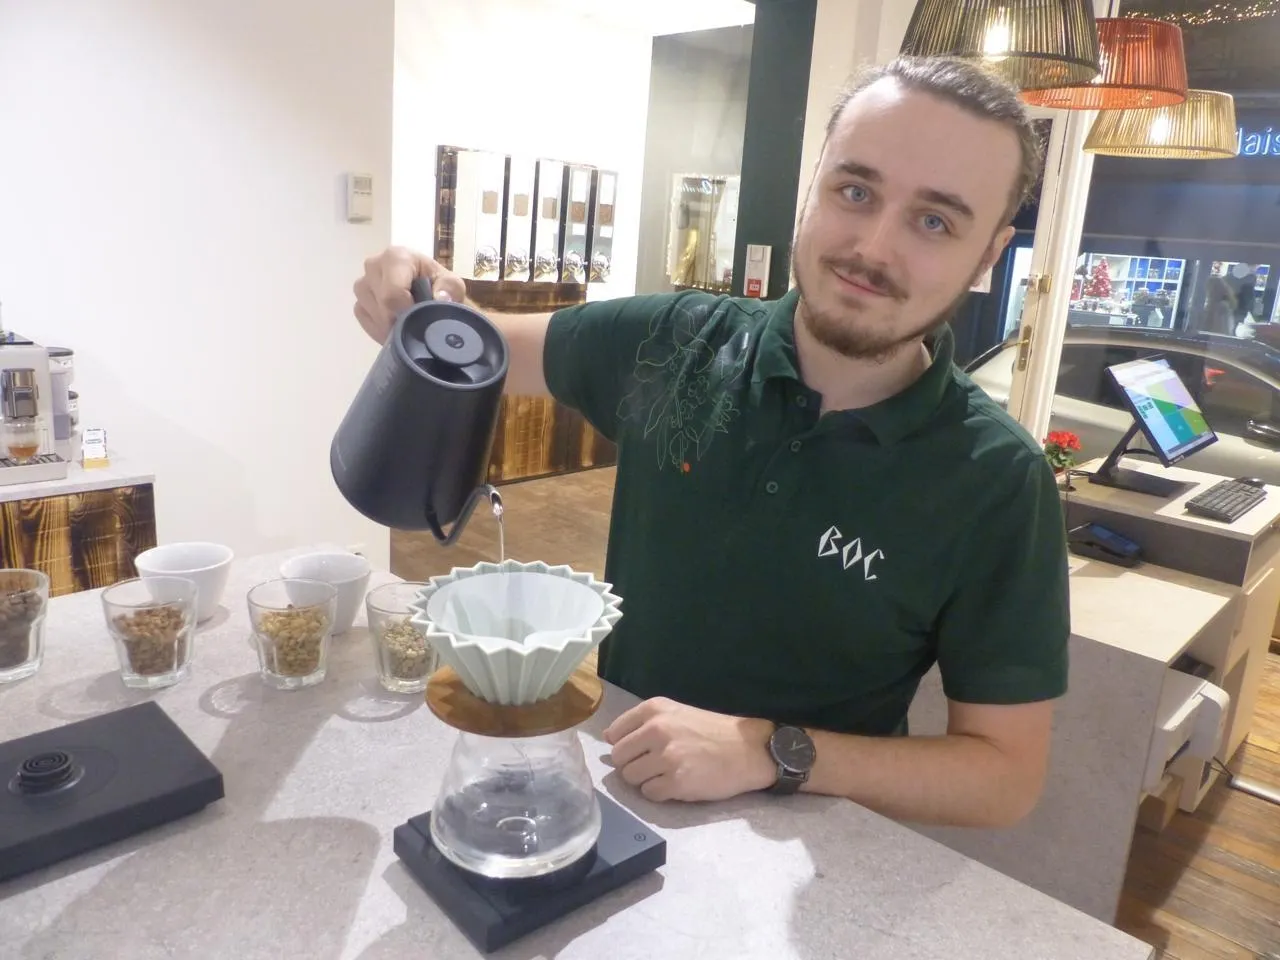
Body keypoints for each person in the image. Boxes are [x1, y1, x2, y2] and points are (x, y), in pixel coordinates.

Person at [352, 55, 1069, 829]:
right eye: (855, 192)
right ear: (814, 185)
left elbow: (1004, 778)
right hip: (618, 794)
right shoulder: (677, 341)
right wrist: (413, 295)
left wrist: (772, 751)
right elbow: (471, 342)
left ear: (989, 254)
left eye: (934, 221)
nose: (872, 247)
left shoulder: (996, 477)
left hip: (812, 844)